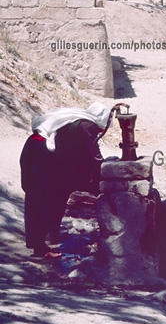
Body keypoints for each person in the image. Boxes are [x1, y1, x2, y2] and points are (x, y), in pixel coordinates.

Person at [20, 103, 110, 258]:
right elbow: (95, 156)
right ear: (104, 120)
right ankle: (40, 247)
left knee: (53, 194)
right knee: (43, 198)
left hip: (34, 149)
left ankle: (49, 235)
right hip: (41, 154)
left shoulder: (78, 119)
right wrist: (106, 174)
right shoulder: (87, 126)